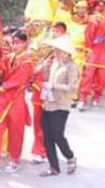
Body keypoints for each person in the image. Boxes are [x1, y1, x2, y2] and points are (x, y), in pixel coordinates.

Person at [0, 31, 34, 175]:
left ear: (25, 43)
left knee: (16, 131)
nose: (15, 45)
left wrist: (1, 88)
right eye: (13, 42)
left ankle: (15, 159)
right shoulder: (8, 57)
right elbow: (1, 72)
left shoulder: (27, 62)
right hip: (2, 99)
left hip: (15, 100)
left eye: (18, 42)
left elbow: (18, 80)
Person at [38, 36, 79, 177]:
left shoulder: (72, 67)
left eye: (58, 50)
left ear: (66, 53)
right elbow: (46, 79)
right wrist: (43, 68)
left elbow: (72, 87)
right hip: (48, 103)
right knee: (47, 136)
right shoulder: (54, 63)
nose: (55, 52)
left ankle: (70, 156)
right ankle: (53, 166)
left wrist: (54, 86)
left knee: (57, 134)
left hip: (61, 104)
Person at [78, 1, 105, 110]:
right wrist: (88, 49)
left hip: (104, 54)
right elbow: (88, 35)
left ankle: (97, 97)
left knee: (102, 77)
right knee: (88, 76)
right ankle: (83, 99)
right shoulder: (95, 21)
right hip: (94, 52)